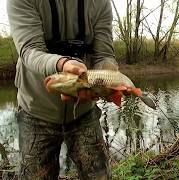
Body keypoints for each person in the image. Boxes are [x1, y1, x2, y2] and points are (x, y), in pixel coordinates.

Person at [7, 0, 117, 179]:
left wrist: (107, 77)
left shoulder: (100, 3)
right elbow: (29, 50)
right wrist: (62, 64)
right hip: (36, 110)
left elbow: (104, 55)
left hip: (84, 111)